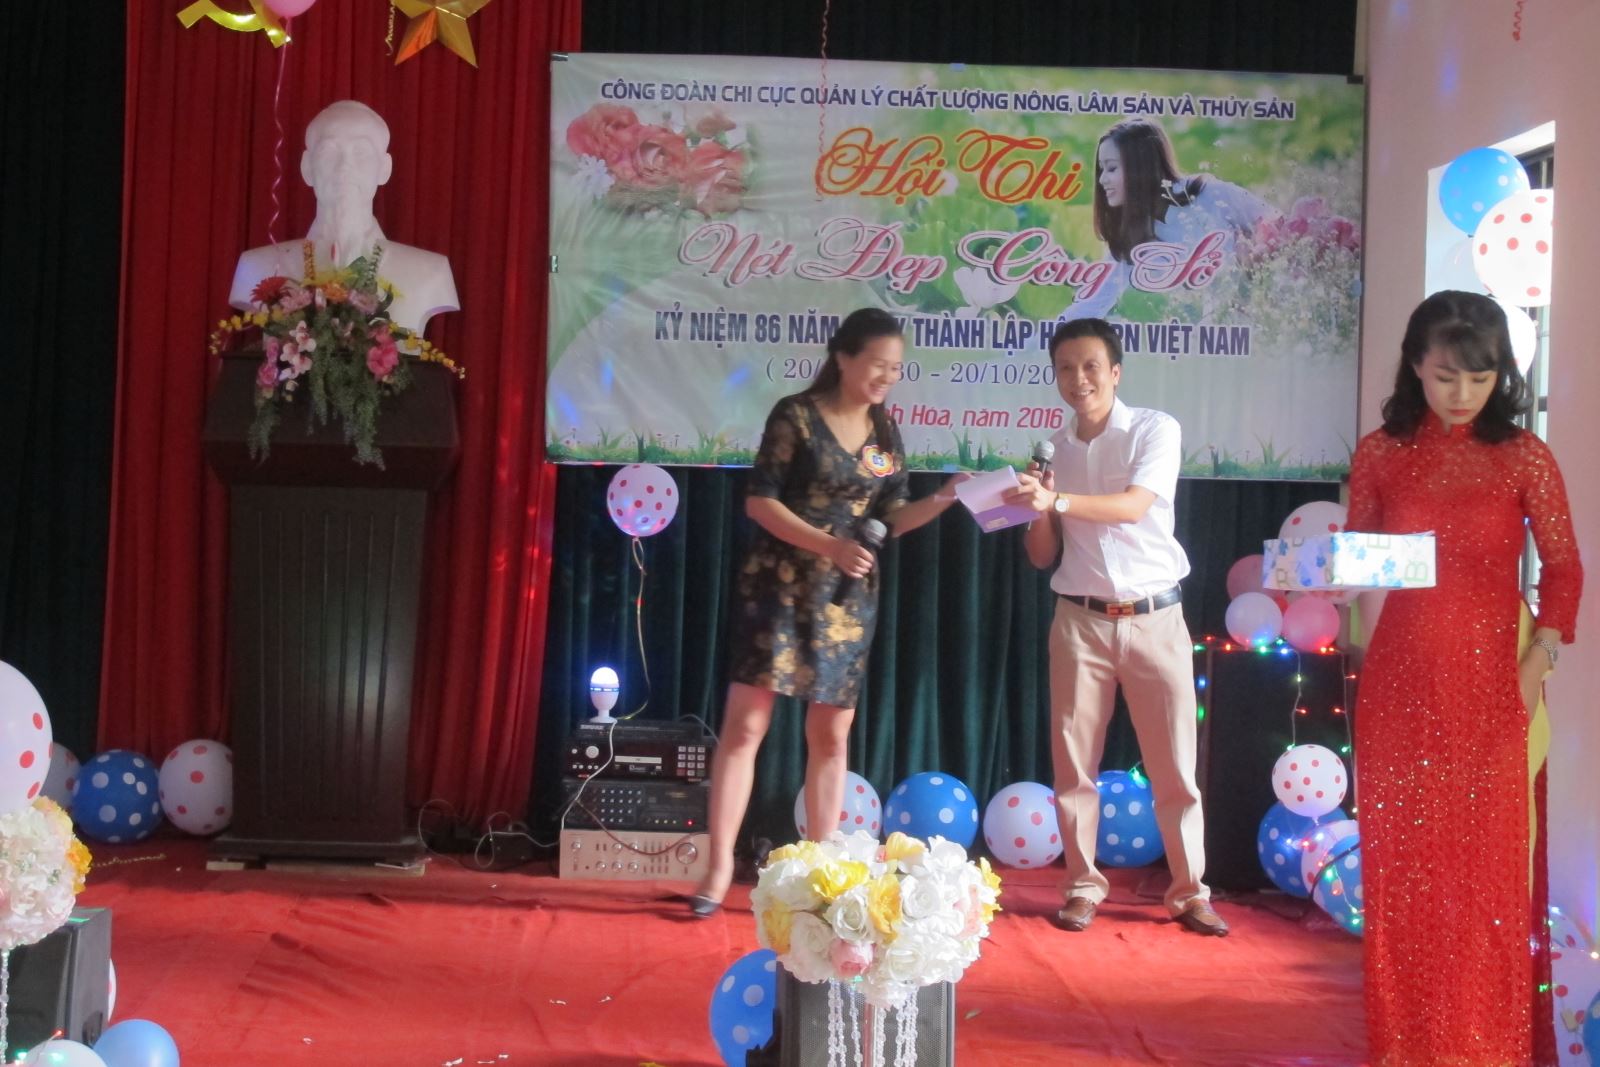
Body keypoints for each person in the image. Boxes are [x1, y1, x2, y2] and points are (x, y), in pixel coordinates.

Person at [1347, 290, 1582, 1066]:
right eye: (1447, 376)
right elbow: (1358, 554)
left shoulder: (1523, 455)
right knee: (1403, 881)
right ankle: (1405, 1046)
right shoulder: (1381, 452)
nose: (1462, 394)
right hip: (1400, 684)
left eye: (1480, 379)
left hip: (1493, 687)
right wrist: (1325, 574)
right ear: (1416, 365)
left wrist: (1537, 660)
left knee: (1486, 881)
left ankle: (1485, 1047)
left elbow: (1565, 567)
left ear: (1501, 374)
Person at [686, 308, 963, 917]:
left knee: (830, 736)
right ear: (843, 357)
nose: (887, 377)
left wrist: (944, 498)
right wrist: (828, 544)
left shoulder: (884, 434)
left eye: (896, 367)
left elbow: (892, 516)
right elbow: (760, 502)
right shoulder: (796, 416)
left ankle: (820, 871)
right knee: (746, 728)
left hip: (846, 601)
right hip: (779, 588)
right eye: (877, 364)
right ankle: (718, 865)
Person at [1003, 318, 1226, 936]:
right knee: (1074, 768)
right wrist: (1037, 506)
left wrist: (1058, 501)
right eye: (1065, 368)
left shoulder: (1155, 429)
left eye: (1091, 366)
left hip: (1156, 618)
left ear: (1116, 372)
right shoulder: (1055, 448)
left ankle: (1189, 892)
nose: (1078, 379)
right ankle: (1081, 886)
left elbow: (1133, 506)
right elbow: (1042, 555)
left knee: (1175, 768)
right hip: (1080, 621)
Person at [230, 100, 459, 336]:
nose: (344, 167)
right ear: (307, 167)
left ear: (384, 168)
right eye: (329, 152)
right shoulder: (257, 268)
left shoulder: (431, 272)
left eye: (361, 152)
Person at [1064, 116, 1276, 321]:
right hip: (1222, 333)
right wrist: (1044, 336)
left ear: (1140, 167)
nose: (1102, 179)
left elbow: (1281, 226)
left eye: (1111, 168)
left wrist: (1255, 255)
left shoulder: (1211, 194)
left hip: (1272, 314)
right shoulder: (1131, 238)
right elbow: (1089, 305)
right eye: (1101, 170)